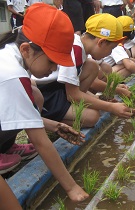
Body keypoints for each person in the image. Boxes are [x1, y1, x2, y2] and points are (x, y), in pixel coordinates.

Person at [0, 3, 88, 203]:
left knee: (34, 92)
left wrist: (52, 125)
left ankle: (7, 147)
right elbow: (40, 141)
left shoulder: (9, 52)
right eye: (51, 61)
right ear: (26, 49)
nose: (55, 68)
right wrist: (72, 188)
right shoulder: (12, 75)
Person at [33, 14, 134, 128]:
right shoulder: (75, 51)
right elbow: (72, 94)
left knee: (92, 66)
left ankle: (68, 109)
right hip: (44, 93)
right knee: (92, 117)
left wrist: (100, 100)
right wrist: (110, 107)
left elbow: (74, 86)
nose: (110, 53)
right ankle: (46, 122)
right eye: (111, 48)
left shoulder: (79, 45)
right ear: (101, 42)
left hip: (57, 88)